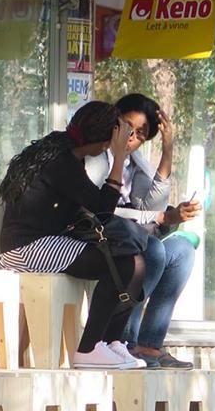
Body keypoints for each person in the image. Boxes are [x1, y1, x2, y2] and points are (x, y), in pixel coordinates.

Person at [0, 101, 147, 370]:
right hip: (25, 249)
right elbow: (102, 211)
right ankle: (88, 349)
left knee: (132, 262)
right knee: (124, 264)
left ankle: (112, 344)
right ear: (103, 141)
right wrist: (120, 158)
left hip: (43, 242)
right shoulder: (61, 161)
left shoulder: (60, 148)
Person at [86, 93, 201, 370]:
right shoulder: (99, 156)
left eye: (140, 134)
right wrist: (158, 216)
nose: (131, 137)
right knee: (153, 249)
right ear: (115, 120)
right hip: (98, 239)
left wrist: (168, 149)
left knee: (182, 251)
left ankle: (148, 345)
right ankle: (123, 339)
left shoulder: (134, 161)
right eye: (127, 126)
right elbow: (100, 209)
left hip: (128, 238)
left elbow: (154, 204)